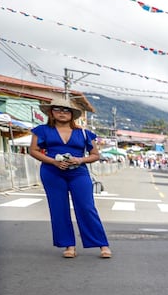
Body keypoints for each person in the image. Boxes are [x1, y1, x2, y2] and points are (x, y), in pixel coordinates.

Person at [28, 99, 111, 259]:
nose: (62, 112)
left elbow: (95, 155)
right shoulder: (41, 130)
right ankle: (69, 245)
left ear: (72, 114)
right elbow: (33, 150)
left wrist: (79, 160)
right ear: (51, 112)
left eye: (66, 110)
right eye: (57, 109)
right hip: (52, 172)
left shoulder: (84, 133)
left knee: (86, 207)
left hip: (78, 172)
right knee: (59, 208)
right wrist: (53, 161)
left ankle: (102, 244)